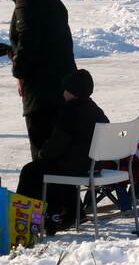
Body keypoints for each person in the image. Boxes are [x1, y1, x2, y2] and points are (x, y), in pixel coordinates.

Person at [16, 69, 108, 234]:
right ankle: (71, 212)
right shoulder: (96, 111)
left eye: (65, 90)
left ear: (72, 92)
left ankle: (25, 221)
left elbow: (57, 145)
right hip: (94, 166)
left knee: (31, 170)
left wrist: (42, 154)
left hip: (76, 167)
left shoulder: (69, 112)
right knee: (52, 167)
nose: (63, 93)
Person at [3, 0, 76, 160]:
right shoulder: (52, 0)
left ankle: (41, 191)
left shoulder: (26, 0)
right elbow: (48, 43)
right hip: (62, 85)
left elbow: (29, 42)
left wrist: (20, 74)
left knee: (42, 153)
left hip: (40, 90)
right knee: (60, 152)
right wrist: (13, 50)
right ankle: (62, 192)